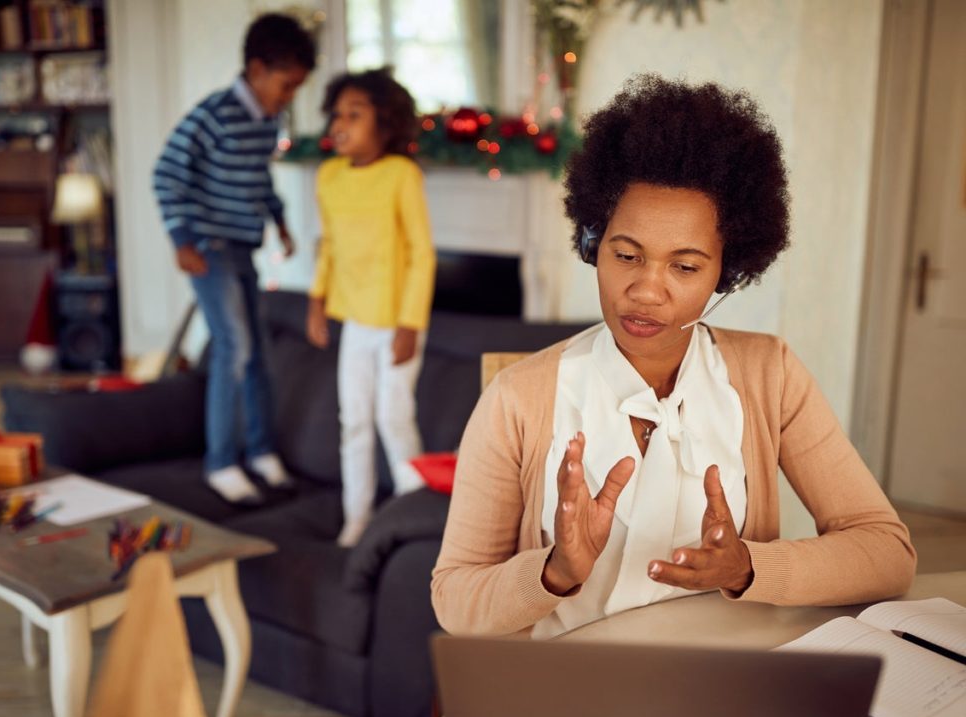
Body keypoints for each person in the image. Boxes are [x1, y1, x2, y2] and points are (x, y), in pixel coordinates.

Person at [431, 75, 916, 638]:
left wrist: (749, 567)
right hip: (574, 680)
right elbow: (455, 599)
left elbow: (888, 554)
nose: (646, 291)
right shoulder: (518, 397)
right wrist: (555, 572)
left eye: (684, 267)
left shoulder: (771, 374)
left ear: (727, 273)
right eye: (626, 255)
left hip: (728, 674)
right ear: (592, 246)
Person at [152, 14, 315, 505]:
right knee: (234, 346)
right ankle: (221, 462)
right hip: (208, 247)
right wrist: (181, 239)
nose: (289, 97)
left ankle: (261, 451)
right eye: (286, 85)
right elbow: (166, 173)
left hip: (243, 246)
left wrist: (279, 220)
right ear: (257, 69)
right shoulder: (215, 113)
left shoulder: (266, 121)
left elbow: (259, 179)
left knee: (258, 350)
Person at [306, 68, 436, 547]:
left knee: (393, 417)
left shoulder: (401, 175)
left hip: (398, 321)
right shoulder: (329, 176)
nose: (340, 124)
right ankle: (356, 518)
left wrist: (410, 324)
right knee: (353, 422)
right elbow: (329, 246)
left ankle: (415, 511)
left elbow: (421, 254)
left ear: (384, 123)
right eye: (337, 114)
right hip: (356, 322)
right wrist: (317, 301)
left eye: (354, 115)